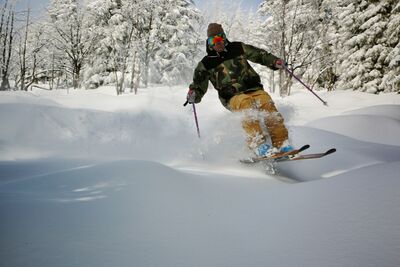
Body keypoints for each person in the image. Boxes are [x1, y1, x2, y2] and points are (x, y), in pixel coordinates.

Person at [186, 23, 293, 157]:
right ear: (209, 43)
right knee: (246, 104)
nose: (218, 42)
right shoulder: (206, 63)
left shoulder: (238, 48)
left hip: (253, 88)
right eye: (213, 40)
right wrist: (194, 94)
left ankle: (282, 144)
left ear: (224, 38)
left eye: (220, 38)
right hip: (232, 96)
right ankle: (258, 145)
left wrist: (274, 61)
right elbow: (198, 84)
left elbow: (259, 54)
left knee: (267, 103)